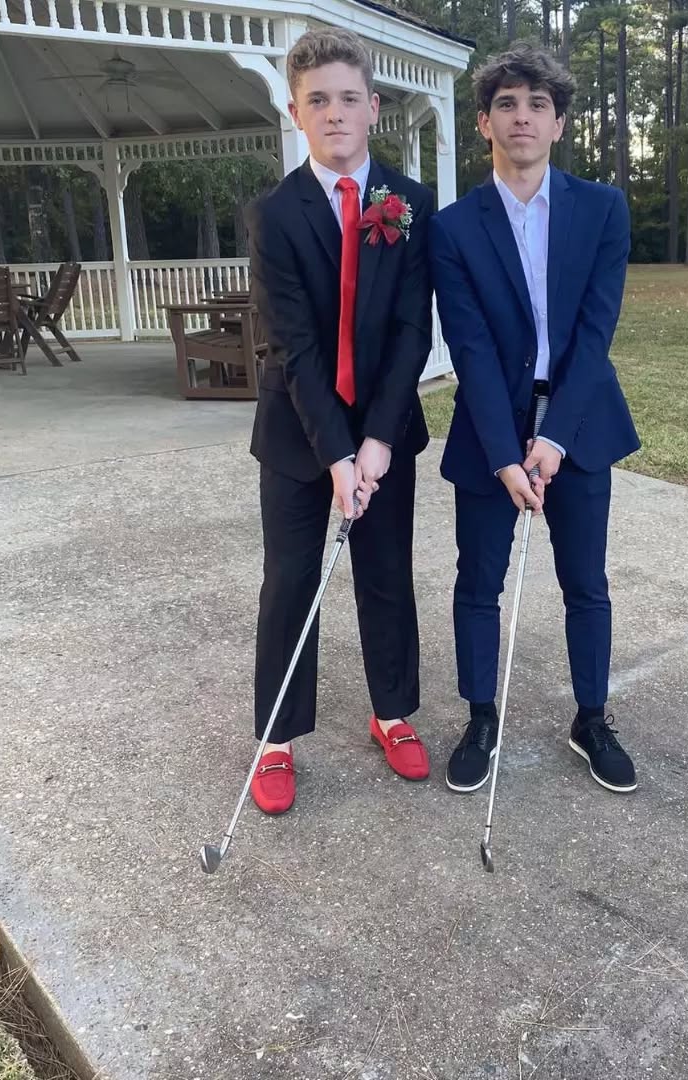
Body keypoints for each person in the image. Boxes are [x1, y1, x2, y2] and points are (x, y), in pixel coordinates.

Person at [428, 42, 642, 796]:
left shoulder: (603, 209)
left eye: (538, 105)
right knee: (477, 583)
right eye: (507, 105)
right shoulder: (453, 228)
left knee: (586, 582)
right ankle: (481, 717)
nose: (523, 117)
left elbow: (595, 331)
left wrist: (552, 438)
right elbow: (471, 347)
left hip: (579, 420)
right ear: (484, 123)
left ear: (558, 123)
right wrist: (504, 453)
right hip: (490, 427)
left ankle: (592, 718)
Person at [244, 27, 435, 815]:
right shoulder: (274, 214)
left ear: (373, 107)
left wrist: (379, 441)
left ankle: (391, 711)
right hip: (299, 432)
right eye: (317, 100)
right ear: (296, 112)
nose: (334, 113)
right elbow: (292, 344)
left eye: (348, 98)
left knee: (386, 572)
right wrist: (337, 455)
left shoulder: (410, 204)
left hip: (385, 425)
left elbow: (412, 330)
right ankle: (277, 737)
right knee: (291, 580)